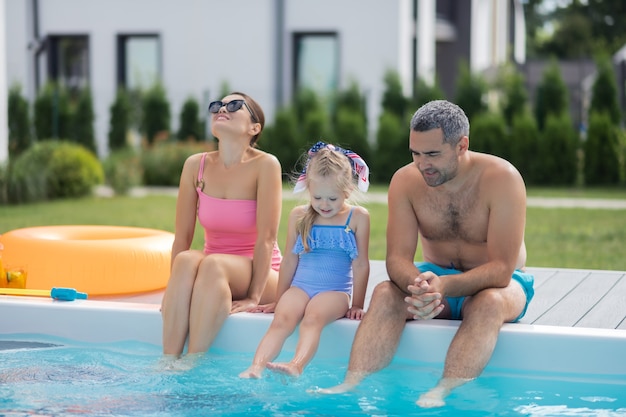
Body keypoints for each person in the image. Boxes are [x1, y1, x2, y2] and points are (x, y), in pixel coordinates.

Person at [316, 100, 534, 408]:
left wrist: (444, 287)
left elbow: (501, 269)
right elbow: (396, 260)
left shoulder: (502, 179)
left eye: (432, 154)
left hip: (499, 283)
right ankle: (351, 385)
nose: (422, 164)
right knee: (385, 293)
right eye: (415, 153)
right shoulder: (406, 181)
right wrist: (419, 284)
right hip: (434, 277)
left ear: (462, 145)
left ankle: (443, 391)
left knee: (489, 303)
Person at [160, 92, 283, 368]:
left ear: (254, 128)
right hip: (212, 269)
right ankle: (167, 361)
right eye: (217, 105)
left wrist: (253, 296)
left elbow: (266, 239)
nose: (222, 108)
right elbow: (182, 237)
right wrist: (174, 289)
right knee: (186, 259)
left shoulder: (266, 165)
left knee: (213, 264)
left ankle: (193, 361)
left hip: (264, 273)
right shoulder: (196, 165)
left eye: (234, 105)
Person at [239, 141, 371, 379]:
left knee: (312, 318)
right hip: (300, 287)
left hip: (335, 292)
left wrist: (357, 305)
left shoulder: (357, 217)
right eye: (317, 197)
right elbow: (289, 260)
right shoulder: (299, 215)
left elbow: (361, 264)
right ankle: (256, 366)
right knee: (281, 320)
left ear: (347, 191)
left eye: (332, 199)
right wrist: (279, 300)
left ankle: (296, 365)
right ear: (308, 188)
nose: (324, 205)